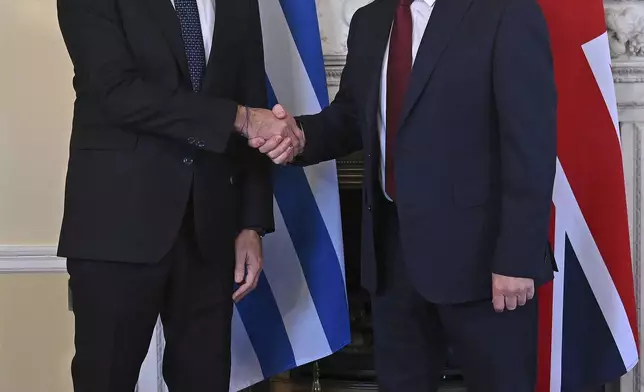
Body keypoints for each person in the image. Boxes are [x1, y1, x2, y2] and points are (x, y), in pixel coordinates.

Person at [251, 0, 557, 390]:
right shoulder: (371, 20)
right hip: (391, 257)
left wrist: (517, 257)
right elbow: (352, 117)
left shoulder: (505, 12)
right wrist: (298, 137)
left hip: (483, 261)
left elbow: (530, 146)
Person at [56, 0, 303, 390]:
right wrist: (238, 118)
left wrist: (251, 224)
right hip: (117, 224)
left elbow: (252, 95)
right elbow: (116, 92)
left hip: (210, 229)